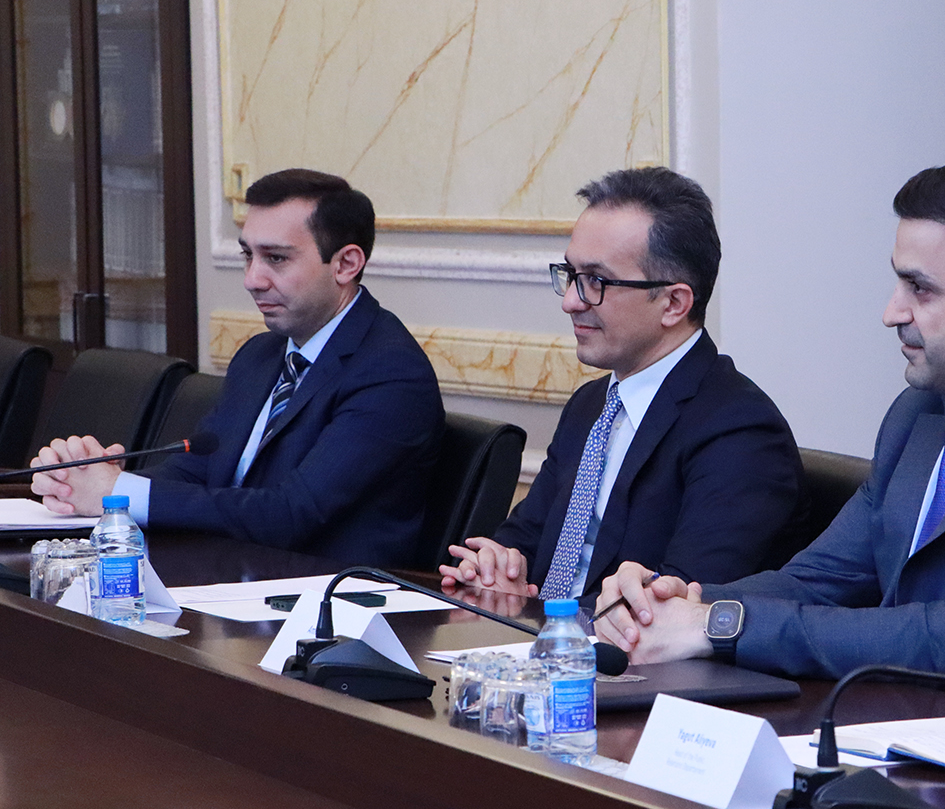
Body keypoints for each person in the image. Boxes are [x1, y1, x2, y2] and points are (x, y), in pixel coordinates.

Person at [595, 152, 945, 680]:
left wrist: (719, 627)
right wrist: (670, 603)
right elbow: (819, 580)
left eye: (920, 289)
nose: (892, 312)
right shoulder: (922, 410)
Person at [31, 169, 445, 567]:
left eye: (276, 258)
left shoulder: (390, 374)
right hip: (233, 578)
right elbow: (201, 468)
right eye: (248, 255)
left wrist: (117, 494)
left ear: (345, 264)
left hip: (324, 599)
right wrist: (92, 482)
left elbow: (291, 514)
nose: (252, 279)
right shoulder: (260, 355)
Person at [440, 167, 804, 601]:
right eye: (571, 274)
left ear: (673, 303)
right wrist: (498, 567)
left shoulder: (739, 432)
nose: (570, 301)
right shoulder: (590, 404)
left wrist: (551, 619)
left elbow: (680, 603)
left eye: (596, 281)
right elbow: (524, 539)